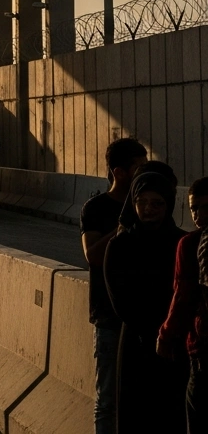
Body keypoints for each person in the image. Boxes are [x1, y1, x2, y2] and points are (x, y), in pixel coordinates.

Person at [105, 166, 187, 432]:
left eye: (157, 203)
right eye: (142, 202)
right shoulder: (120, 246)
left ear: (169, 204)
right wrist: (154, 332)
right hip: (136, 344)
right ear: (133, 203)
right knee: (135, 415)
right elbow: (122, 302)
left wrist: (170, 332)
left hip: (174, 346)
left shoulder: (181, 244)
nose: (149, 209)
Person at [82, 137, 148, 434]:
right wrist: (123, 227)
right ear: (120, 172)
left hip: (146, 319)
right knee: (107, 399)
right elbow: (93, 255)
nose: (144, 173)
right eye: (139, 167)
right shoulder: (96, 208)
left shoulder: (149, 205)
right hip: (108, 317)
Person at [159, 177, 208, 431]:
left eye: (203, 207)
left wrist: (166, 335)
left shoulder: (190, 244)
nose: (198, 215)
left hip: (202, 348)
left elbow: (182, 295)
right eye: (194, 208)